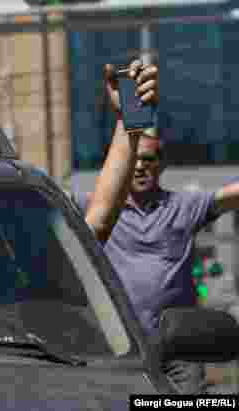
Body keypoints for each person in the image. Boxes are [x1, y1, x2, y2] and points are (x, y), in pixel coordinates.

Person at [74, 62, 239, 394]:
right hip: (123, 345)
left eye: (148, 160)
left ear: (161, 165)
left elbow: (231, 194)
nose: (139, 167)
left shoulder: (183, 206)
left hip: (180, 348)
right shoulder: (96, 210)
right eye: (134, 159)